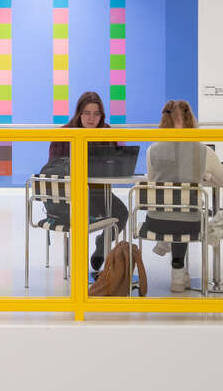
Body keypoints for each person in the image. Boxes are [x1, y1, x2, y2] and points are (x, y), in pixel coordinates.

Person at [140, 99, 223, 293]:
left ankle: (177, 273)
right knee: (189, 212)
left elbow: (154, 183)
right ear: (191, 119)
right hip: (191, 224)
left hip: (157, 222)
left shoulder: (153, 150)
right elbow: (221, 180)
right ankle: (211, 233)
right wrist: (206, 176)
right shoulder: (204, 152)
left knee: (175, 209)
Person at [45, 90, 129, 273]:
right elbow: (54, 169)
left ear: (102, 115)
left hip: (98, 193)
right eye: (87, 113)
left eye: (96, 114)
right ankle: (77, 265)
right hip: (71, 197)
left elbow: (116, 161)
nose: (91, 118)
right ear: (79, 113)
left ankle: (101, 247)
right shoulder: (66, 134)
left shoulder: (106, 132)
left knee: (122, 213)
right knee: (83, 216)